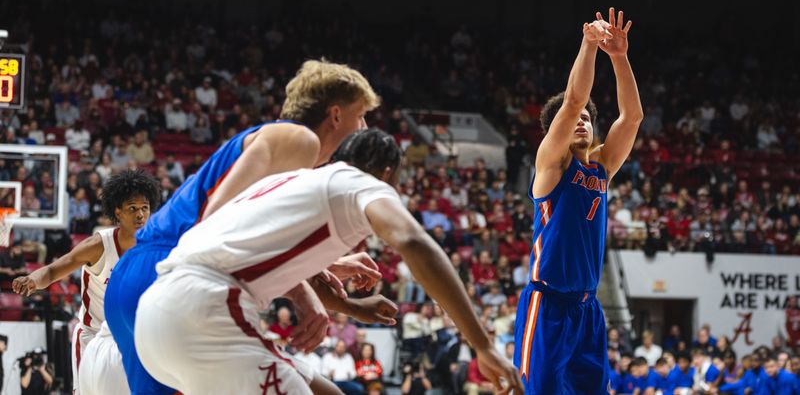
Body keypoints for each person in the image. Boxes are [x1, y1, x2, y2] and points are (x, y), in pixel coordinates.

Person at [134, 129, 522, 395]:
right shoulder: (357, 181)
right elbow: (412, 242)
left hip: (156, 322)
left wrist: (349, 306)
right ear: (387, 174)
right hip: (204, 310)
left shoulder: (291, 184)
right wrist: (482, 344)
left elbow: (269, 262)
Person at [104, 60, 388, 395]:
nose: (365, 127)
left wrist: (323, 269)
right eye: (362, 116)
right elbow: (218, 221)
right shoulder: (299, 140)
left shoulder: (279, 143)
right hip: (169, 275)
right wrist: (305, 294)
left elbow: (242, 244)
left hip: (133, 279)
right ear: (336, 115)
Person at [514, 9, 642, 393]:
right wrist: (589, 46)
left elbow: (632, 117)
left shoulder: (602, 166)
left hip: (588, 309)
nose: (582, 120)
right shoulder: (551, 165)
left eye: (588, 117)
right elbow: (571, 101)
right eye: (576, 120)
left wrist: (620, 58)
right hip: (548, 302)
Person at [12, 170, 160, 395]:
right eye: (132, 208)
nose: (140, 214)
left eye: (144, 208)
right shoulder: (99, 245)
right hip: (94, 336)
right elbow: (52, 271)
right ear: (117, 211)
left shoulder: (154, 246)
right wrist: (33, 279)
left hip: (132, 337)